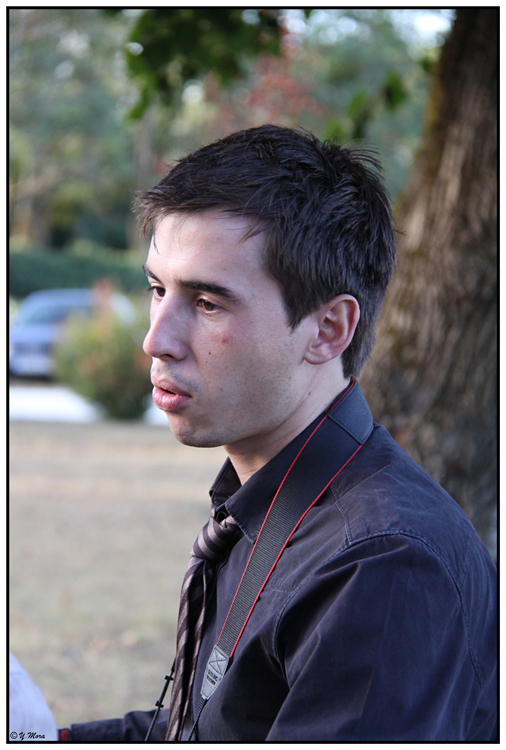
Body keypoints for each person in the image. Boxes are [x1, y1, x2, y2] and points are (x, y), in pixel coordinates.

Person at [60, 125, 496, 742]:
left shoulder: (383, 565)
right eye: (157, 289)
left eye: (207, 303)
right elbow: (215, 729)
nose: (156, 339)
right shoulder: (277, 499)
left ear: (328, 329)